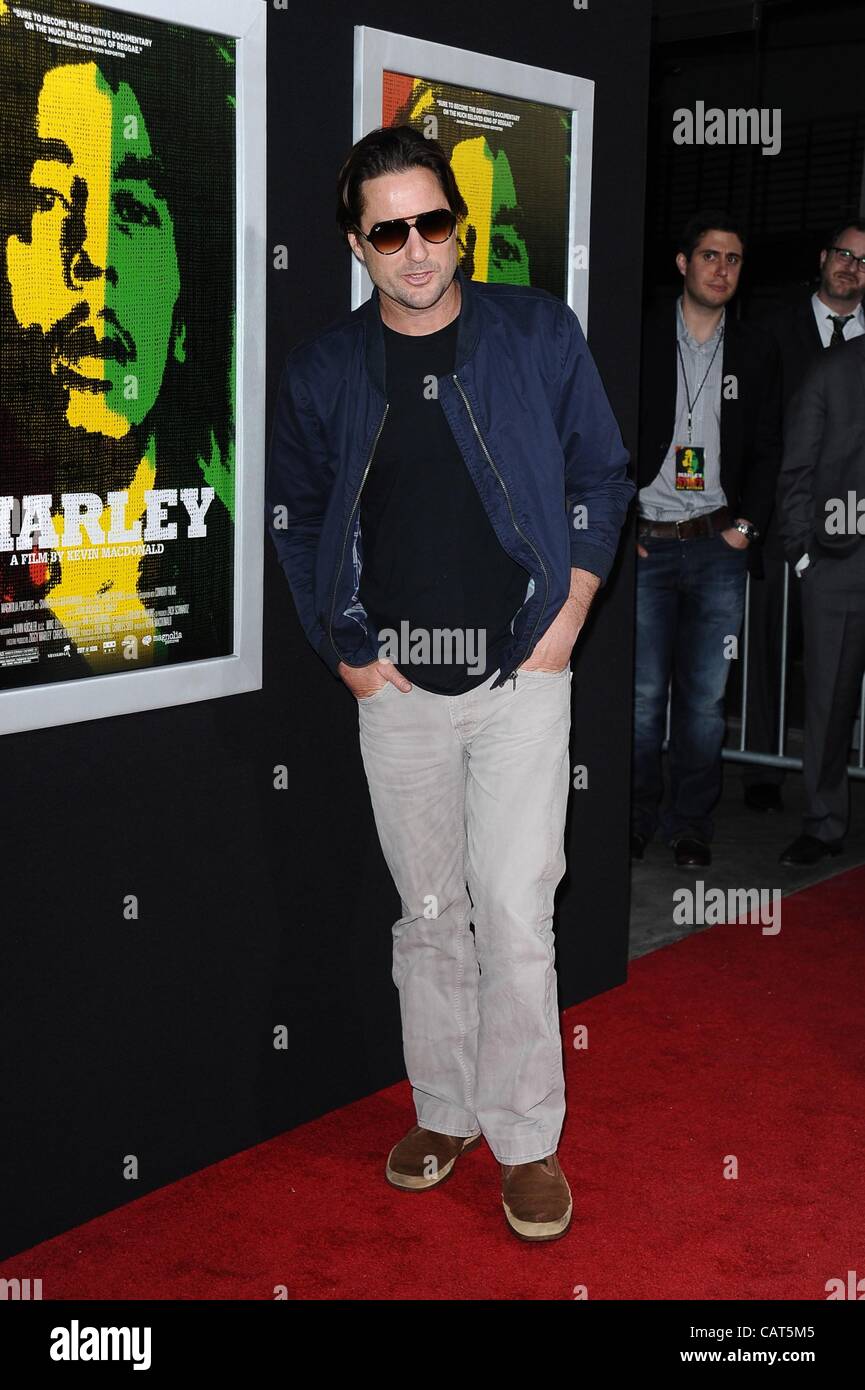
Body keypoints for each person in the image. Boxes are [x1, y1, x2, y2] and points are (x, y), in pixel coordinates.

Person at [266, 125, 633, 1242]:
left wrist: (566, 616)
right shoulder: (327, 368)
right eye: (390, 231)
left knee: (518, 917)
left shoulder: (534, 332)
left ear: (459, 226)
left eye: (431, 223)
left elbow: (601, 474)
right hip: (401, 696)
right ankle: (445, 1111)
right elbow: (298, 517)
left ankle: (525, 1139)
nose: (416, 249)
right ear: (357, 243)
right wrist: (348, 653)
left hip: (523, 674)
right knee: (429, 917)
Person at [0, 12, 235, 684]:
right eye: (48, 198)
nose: (93, 257)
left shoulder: (227, 571)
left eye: (132, 209)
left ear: (187, 302)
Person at [632, 210, 782, 868]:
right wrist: (614, 529)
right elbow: (601, 431)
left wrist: (747, 526)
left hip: (718, 546)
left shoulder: (753, 349)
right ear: (682, 263)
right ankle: (634, 817)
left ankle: (690, 823)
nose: (722, 268)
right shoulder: (637, 336)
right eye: (711, 256)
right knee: (640, 700)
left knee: (703, 701)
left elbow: (771, 445)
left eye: (733, 259)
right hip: (646, 544)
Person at [744, 221, 865, 812]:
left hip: (853, 543)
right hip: (780, 525)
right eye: (845, 254)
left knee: (836, 679)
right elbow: (758, 431)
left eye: (864, 261)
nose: (852, 266)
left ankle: (830, 799)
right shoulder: (773, 328)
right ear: (823, 258)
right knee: (766, 654)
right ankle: (764, 776)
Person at [775, 330, 865, 865]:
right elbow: (797, 468)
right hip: (839, 563)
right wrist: (802, 553)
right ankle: (824, 822)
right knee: (829, 702)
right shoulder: (833, 369)